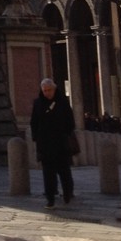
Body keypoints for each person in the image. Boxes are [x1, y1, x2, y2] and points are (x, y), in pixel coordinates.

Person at [30, 77, 75, 207]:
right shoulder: (38, 103)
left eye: (49, 90)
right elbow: (34, 122)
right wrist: (36, 137)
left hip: (61, 143)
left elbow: (70, 121)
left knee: (64, 171)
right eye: (45, 90)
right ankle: (50, 198)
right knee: (48, 173)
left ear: (54, 89)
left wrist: (65, 134)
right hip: (45, 144)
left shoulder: (63, 102)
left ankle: (67, 193)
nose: (47, 93)